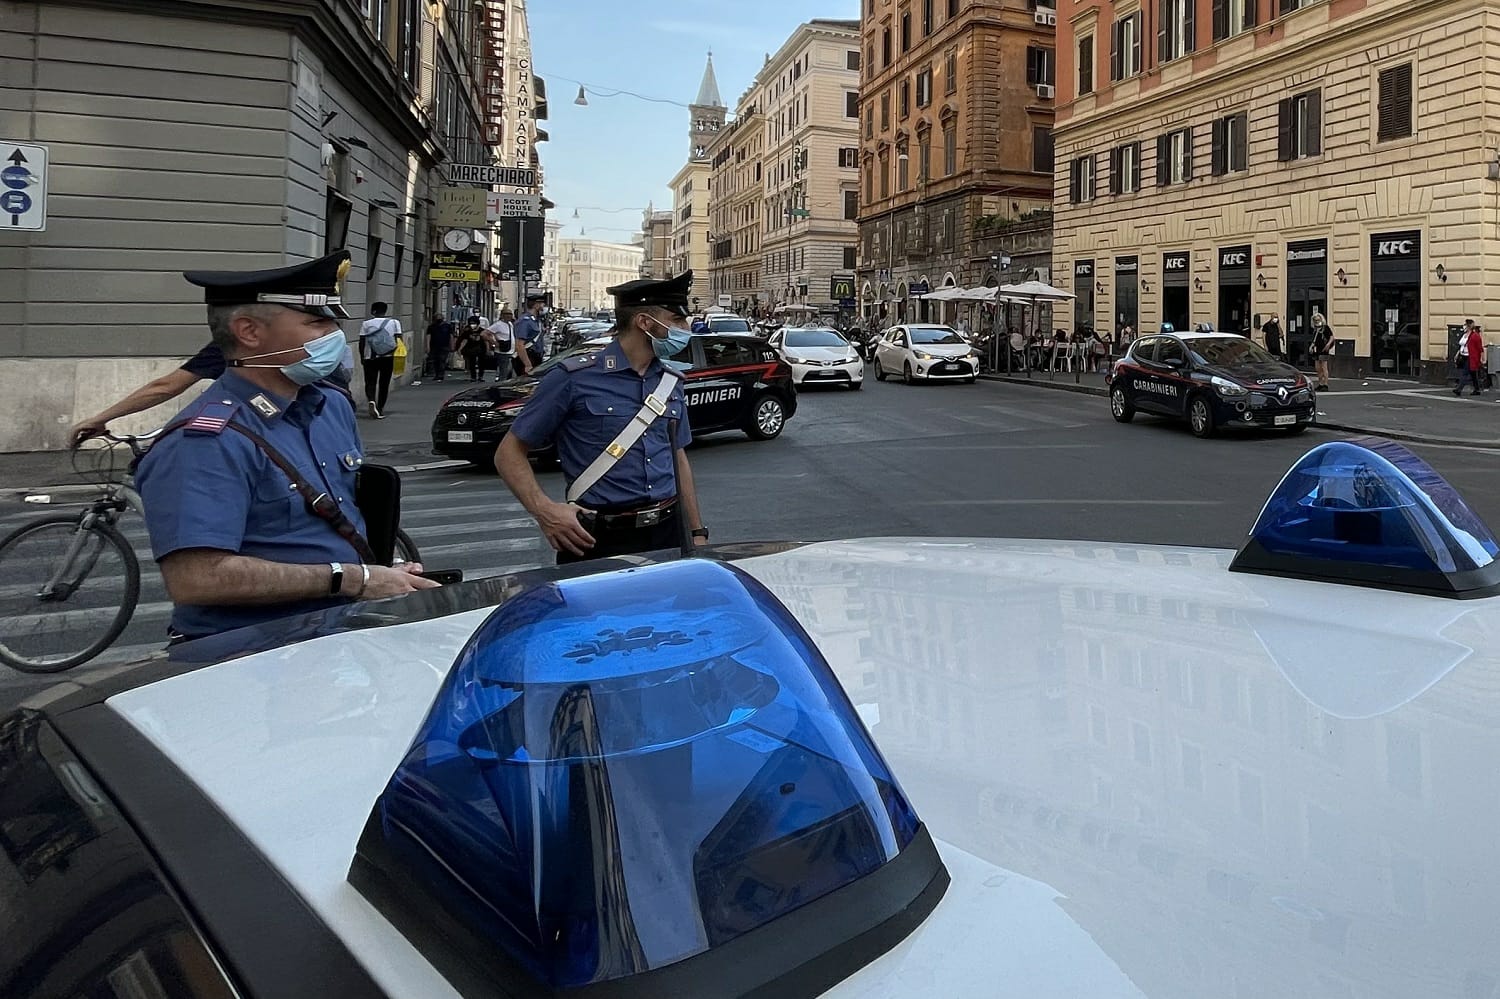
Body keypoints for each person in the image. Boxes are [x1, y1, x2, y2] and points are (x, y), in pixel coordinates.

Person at [132, 250, 438, 641]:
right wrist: (351, 578)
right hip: (249, 656)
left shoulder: (330, 407)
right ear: (249, 332)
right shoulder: (208, 440)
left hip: (337, 636)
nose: (334, 335)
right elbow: (198, 578)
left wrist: (382, 575)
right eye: (317, 322)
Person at [495, 271, 708, 564]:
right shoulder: (573, 378)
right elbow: (508, 453)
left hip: (667, 533)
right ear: (645, 323)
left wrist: (697, 532)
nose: (686, 329)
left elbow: (678, 457)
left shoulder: (671, 381)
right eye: (677, 320)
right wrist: (544, 510)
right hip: (596, 538)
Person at [68, 336, 357, 448]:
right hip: (332, 428)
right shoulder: (302, 342)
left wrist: (100, 418)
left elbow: (166, 386)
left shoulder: (236, 347)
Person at [359, 302, 402, 419]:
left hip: (370, 357)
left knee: (370, 382)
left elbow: (362, 342)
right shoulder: (394, 322)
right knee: (384, 383)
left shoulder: (366, 324)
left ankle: (371, 400)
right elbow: (399, 340)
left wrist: (362, 356)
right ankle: (380, 408)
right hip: (388, 358)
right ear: (385, 311)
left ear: (373, 311)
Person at [515, 293, 546, 370]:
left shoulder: (536, 320)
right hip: (528, 358)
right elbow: (519, 345)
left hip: (536, 357)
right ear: (536, 305)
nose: (543, 307)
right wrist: (528, 364)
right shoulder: (525, 321)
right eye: (542, 304)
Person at [1455, 321, 1486, 397]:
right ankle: (1477, 389)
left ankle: (1459, 389)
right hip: (1463, 356)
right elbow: (1462, 346)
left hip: (1471, 357)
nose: (1464, 326)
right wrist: (1457, 354)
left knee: (1465, 373)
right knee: (1473, 374)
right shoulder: (1464, 335)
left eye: (1465, 325)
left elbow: (1480, 348)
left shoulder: (1475, 336)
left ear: (1469, 326)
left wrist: (1483, 358)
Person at [488, 308, 520, 380]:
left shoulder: (510, 324)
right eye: (506, 314)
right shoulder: (498, 325)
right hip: (503, 352)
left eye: (510, 314)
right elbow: (485, 333)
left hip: (511, 352)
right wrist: (495, 343)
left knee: (509, 372)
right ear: (502, 315)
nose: (509, 316)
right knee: (504, 372)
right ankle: (500, 386)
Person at [456, 315, 488, 381]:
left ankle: (480, 376)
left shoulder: (482, 331)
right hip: (471, 349)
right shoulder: (467, 332)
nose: (472, 325)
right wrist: (460, 349)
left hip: (481, 349)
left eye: (474, 323)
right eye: (471, 324)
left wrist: (488, 349)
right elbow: (465, 340)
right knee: (472, 363)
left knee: (481, 363)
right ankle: (473, 377)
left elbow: (486, 341)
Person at [424, 312, 455, 382]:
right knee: (435, 361)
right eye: (437, 318)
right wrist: (428, 346)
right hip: (434, 346)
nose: (438, 320)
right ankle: (437, 374)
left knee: (442, 360)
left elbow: (451, 336)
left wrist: (452, 345)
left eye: (439, 318)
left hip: (445, 346)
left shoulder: (447, 326)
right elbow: (428, 336)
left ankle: (440, 375)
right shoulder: (431, 327)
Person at [1310, 311, 1335, 391]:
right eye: (1315, 320)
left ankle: (1326, 384)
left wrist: (1328, 345)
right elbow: (1314, 340)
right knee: (1318, 368)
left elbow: (1331, 337)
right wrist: (1311, 346)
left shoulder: (1325, 328)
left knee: (1324, 367)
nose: (1317, 321)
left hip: (1324, 350)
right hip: (1317, 350)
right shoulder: (1315, 329)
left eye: (1318, 319)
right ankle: (1320, 383)